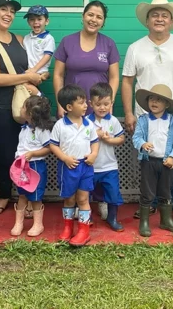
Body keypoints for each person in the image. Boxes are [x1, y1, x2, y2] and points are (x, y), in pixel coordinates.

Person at [122, 0, 173, 225]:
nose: (159, 19)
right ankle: (149, 204)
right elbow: (127, 81)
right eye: (154, 15)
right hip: (145, 116)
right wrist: (128, 113)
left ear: (171, 20)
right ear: (147, 20)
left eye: (164, 15)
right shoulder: (136, 48)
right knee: (148, 162)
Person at [0, 0, 43, 217]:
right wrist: (27, 78)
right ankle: (4, 195)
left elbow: (30, 70)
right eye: (3, 9)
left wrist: (34, 80)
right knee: (5, 154)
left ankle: (25, 197)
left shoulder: (19, 39)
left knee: (26, 152)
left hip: (24, 107)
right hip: (2, 108)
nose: (8, 14)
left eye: (12, 11)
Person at [132, 84, 173, 237]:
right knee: (147, 192)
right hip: (149, 162)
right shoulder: (144, 120)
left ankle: (165, 219)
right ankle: (144, 221)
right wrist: (143, 144)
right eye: (151, 99)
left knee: (165, 191)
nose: (154, 102)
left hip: (165, 162)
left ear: (167, 104)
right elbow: (137, 137)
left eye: (159, 100)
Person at [50, 84, 99, 247]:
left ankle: (84, 231)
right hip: (68, 167)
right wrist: (65, 158)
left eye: (86, 102)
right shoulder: (60, 125)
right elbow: (53, 145)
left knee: (83, 198)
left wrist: (93, 155)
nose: (86, 105)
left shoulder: (89, 124)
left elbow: (95, 142)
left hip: (85, 166)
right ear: (69, 107)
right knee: (69, 199)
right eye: (82, 102)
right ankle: (67, 228)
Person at [53, 1, 120, 117]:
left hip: (100, 108)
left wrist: (109, 103)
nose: (94, 20)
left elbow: (114, 77)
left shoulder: (109, 44)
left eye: (99, 17)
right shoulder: (67, 42)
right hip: (71, 106)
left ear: (103, 22)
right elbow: (58, 75)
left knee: (100, 135)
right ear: (83, 16)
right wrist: (60, 103)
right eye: (90, 15)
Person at [10, 95, 53, 238]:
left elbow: (49, 148)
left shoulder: (42, 130)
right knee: (22, 194)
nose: (21, 109)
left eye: (23, 107)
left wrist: (33, 153)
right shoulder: (24, 128)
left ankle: (38, 224)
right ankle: (18, 223)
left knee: (35, 196)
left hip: (35, 166)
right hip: (22, 166)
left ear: (30, 114)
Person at [88, 82, 126, 232]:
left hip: (109, 166)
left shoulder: (113, 121)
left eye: (106, 104)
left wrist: (110, 140)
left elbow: (121, 139)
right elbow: (80, 140)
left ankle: (112, 218)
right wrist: (94, 135)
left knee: (112, 193)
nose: (102, 107)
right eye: (98, 104)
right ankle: (86, 216)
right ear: (91, 104)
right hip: (89, 166)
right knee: (85, 193)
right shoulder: (86, 122)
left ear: (111, 102)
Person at [22, 5, 56, 79]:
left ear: (46, 21)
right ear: (28, 22)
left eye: (39, 19)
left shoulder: (48, 38)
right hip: (28, 71)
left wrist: (34, 70)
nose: (36, 22)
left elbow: (47, 56)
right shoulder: (26, 38)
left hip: (39, 71)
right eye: (32, 19)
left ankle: (43, 75)